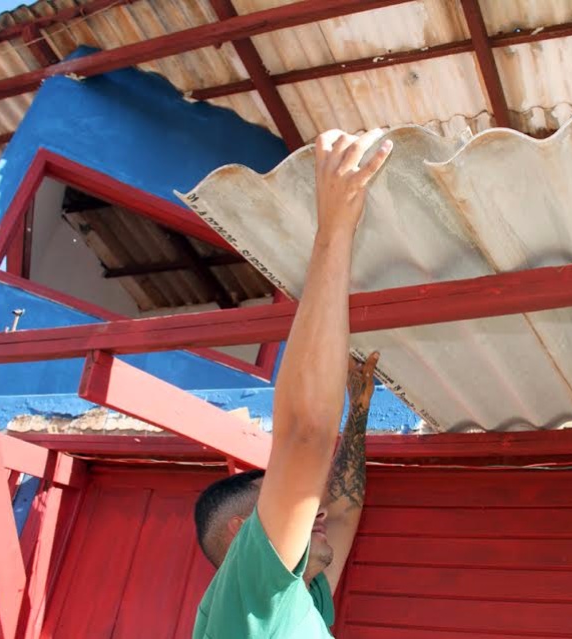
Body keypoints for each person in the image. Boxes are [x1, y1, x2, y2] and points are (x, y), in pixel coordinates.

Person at [191, 129, 393, 638]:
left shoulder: (272, 603)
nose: (313, 502)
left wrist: (335, 226)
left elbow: (313, 454)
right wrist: (359, 411)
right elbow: (334, 493)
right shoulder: (283, 603)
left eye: (283, 492)